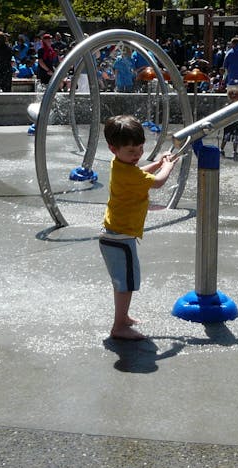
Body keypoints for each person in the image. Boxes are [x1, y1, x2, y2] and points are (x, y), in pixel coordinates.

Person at [99, 115, 179, 341]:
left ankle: (123, 318)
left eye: (140, 149)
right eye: (131, 151)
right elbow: (158, 182)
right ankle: (119, 326)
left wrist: (158, 162)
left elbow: (142, 171)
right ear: (113, 149)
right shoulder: (129, 172)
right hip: (120, 239)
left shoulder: (121, 165)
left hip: (115, 235)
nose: (137, 155)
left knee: (123, 282)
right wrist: (168, 166)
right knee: (126, 284)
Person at [220, 88, 238, 159]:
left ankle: (234, 151)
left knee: (236, 138)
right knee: (226, 138)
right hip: (229, 124)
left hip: (236, 124)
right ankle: (221, 149)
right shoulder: (228, 106)